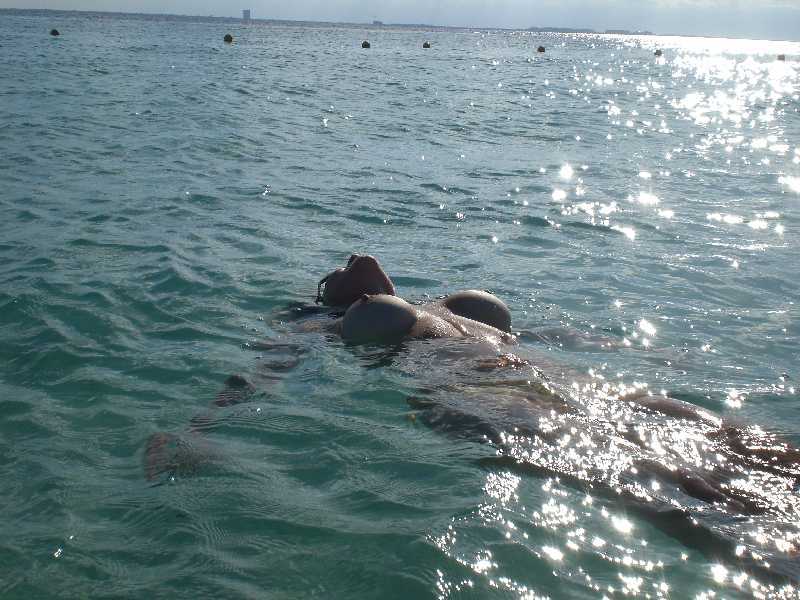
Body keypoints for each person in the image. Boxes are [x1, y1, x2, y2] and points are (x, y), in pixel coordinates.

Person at [315, 254, 513, 344]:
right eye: (341, 269)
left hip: (521, 360)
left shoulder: (433, 303)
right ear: (325, 297)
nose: (356, 258)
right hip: (458, 379)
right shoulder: (318, 322)